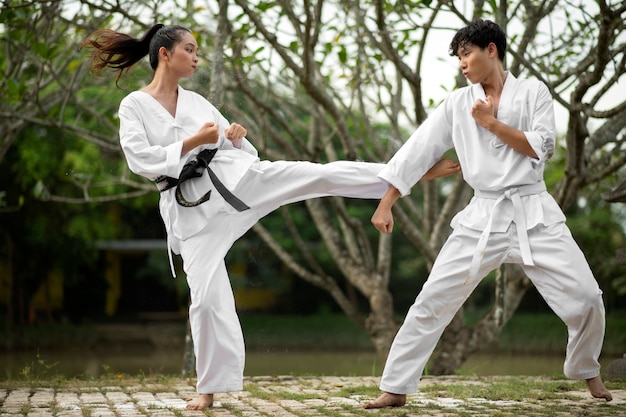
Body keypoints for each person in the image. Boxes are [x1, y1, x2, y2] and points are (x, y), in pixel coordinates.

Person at [81, 24, 460, 410]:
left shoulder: (196, 102)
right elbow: (140, 160)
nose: (196, 58)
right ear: (165, 54)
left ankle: (401, 173)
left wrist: (237, 135)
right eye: (190, 50)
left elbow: (239, 147)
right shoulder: (135, 105)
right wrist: (193, 141)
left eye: (197, 51)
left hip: (237, 178)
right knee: (207, 299)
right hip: (192, 211)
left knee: (317, 174)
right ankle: (207, 390)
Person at [364, 19, 613, 409]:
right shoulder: (456, 104)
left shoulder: (532, 92)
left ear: (491, 50)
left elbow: (542, 147)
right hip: (482, 216)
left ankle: (586, 368)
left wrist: (491, 123)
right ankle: (395, 386)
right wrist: (387, 201)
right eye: (459, 57)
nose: (462, 64)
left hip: (534, 212)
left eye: (467, 53)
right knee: (432, 298)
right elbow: (417, 152)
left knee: (587, 298)